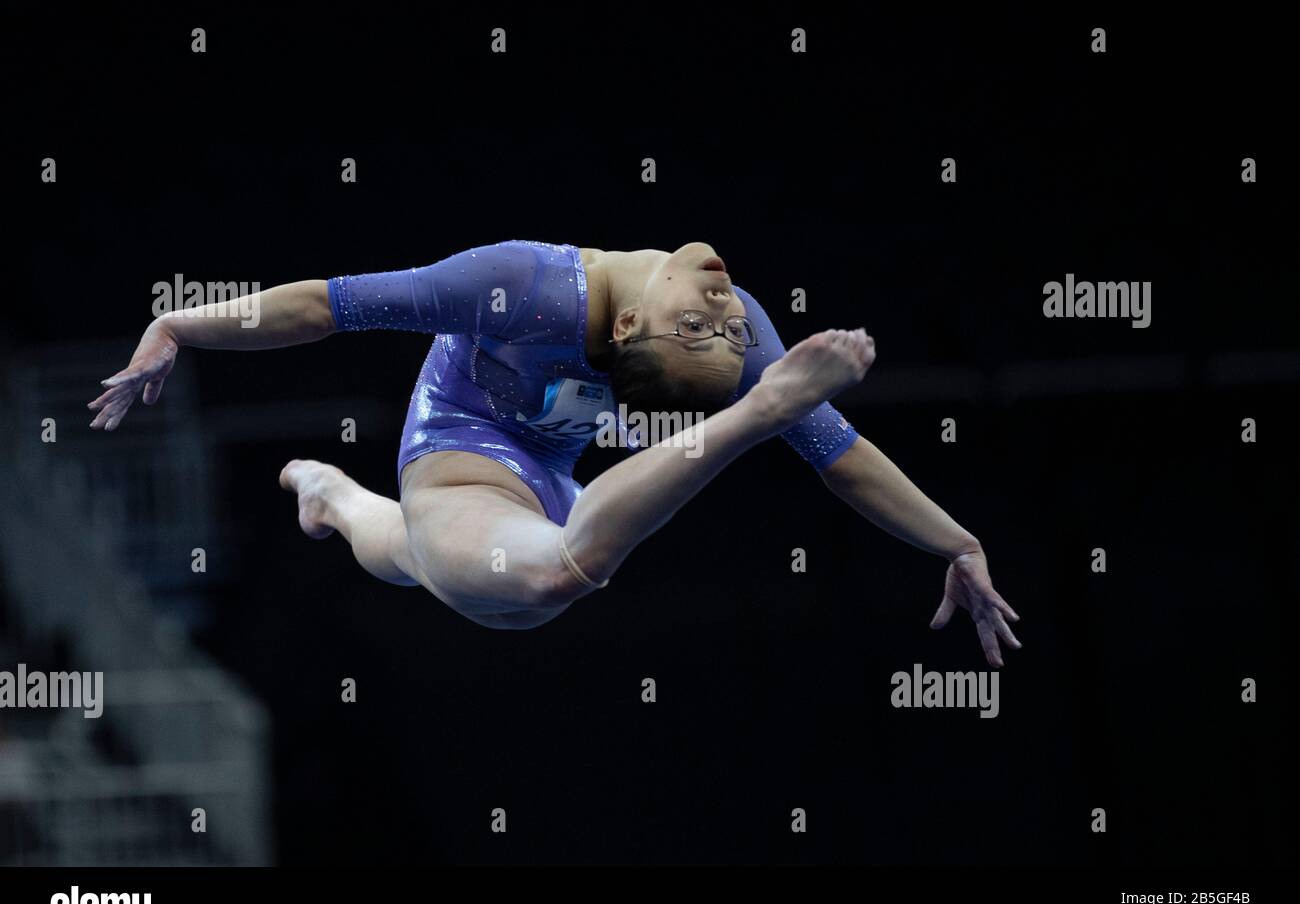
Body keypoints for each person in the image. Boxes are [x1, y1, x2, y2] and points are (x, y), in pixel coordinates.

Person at [88, 239, 1021, 664]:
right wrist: (184, 323)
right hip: (455, 461)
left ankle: (336, 499)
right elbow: (332, 305)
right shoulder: (516, 286)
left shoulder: (724, 331)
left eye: (725, 331)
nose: (731, 310)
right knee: (538, 581)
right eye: (710, 322)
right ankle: (347, 499)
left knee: (445, 565)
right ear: (622, 320)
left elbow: (841, 455)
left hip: (547, 485)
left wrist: (958, 541)